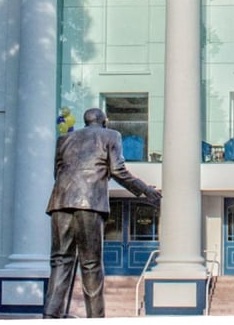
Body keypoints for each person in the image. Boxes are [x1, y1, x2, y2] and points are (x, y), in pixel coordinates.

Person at [43, 107, 161, 319]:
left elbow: (57, 172)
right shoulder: (111, 135)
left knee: (60, 261)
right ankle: (96, 318)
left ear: (85, 121)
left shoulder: (64, 139)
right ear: (104, 121)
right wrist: (145, 190)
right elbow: (118, 171)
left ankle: (50, 316)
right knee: (91, 265)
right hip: (90, 202)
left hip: (60, 201)